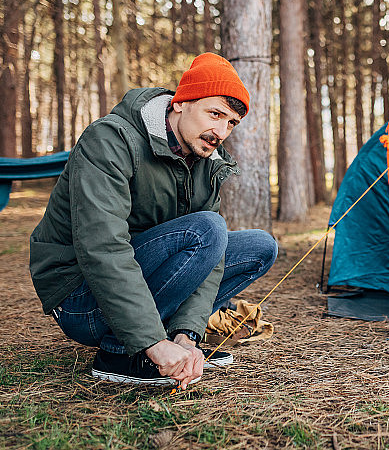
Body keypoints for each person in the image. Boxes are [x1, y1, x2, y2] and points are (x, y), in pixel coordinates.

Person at [29, 53, 278, 387]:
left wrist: (186, 335)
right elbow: (102, 248)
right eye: (215, 113)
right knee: (208, 230)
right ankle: (124, 350)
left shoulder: (205, 160)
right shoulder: (110, 140)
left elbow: (212, 259)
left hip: (139, 276)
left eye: (231, 122)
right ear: (181, 103)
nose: (221, 131)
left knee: (259, 246)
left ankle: (173, 340)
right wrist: (151, 342)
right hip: (81, 297)